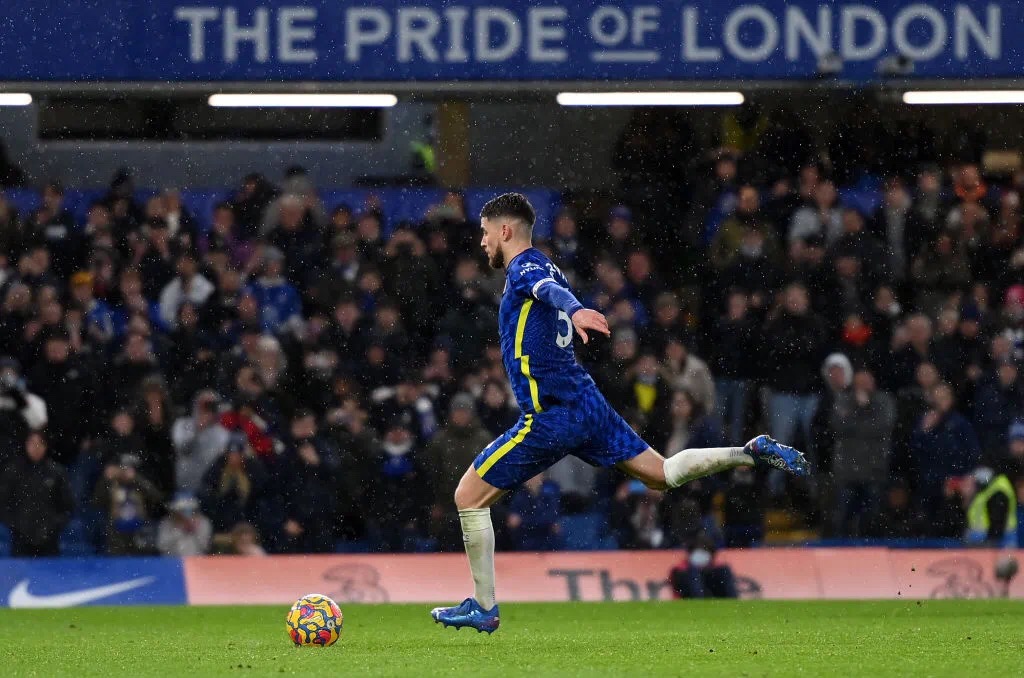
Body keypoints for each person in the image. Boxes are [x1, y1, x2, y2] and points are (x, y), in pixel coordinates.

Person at [430, 193, 808, 633]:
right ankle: (747, 452)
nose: (481, 242)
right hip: (586, 400)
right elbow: (549, 289)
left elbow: (544, 290)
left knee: (467, 496)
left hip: (552, 412)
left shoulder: (524, 267)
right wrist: (572, 307)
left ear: (506, 231)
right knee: (662, 474)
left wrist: (576, 309)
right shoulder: (549, 264)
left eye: (485, 232)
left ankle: (484, 606)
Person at [0, 431, 74, 556]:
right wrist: (17, 525)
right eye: (32, 443)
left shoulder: (56, 472)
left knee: (50, 574)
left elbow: (68, 505)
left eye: (40, 443)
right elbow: (3, 503)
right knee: (20, 575)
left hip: (49, 539)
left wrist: (53, 526)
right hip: (20, 539)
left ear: (45, 446)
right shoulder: (13, 472)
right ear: (25, 445)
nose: (36, 447)